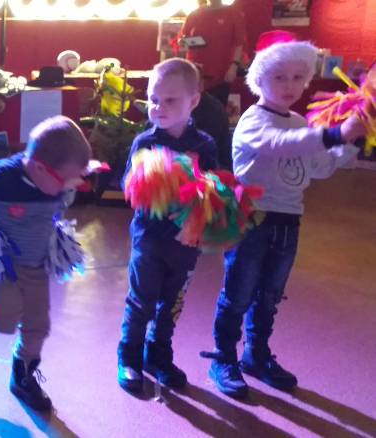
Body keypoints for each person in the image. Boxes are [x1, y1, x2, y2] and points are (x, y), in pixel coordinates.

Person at [206, 33, 366, 399]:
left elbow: (320, 166)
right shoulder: (253, 120)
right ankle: (223, 358)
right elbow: (278, 145)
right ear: (259, 79)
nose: (289, 85)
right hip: (253, 220)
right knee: (238, 293)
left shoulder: (299, 122)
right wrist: (335, 134)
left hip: (288, 221)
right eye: (279, 77)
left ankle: (256, 354)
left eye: (297, 77)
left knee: (269, 296)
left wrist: (351, 141)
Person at [0, 116, 91, 411]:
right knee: (4, 318)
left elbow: (62, 196)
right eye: (66, 181)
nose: (70, 187)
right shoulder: (0, 179)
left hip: (36, 264)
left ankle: (23, 375)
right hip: (3, 264)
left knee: (38, 325)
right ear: (39, 168)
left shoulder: (56, 181)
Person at [117, 58, 218, 394]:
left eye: (170, 100)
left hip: (186, 241)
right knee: (141, 299)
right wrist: (150, 179)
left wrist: (200, 198)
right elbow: (127, 187)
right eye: (153, 99)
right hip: (149, 237)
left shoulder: (204, 145)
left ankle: (158, 354)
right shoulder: (145, 142)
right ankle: (129, 357)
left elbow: (215, 188)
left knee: (171, 303)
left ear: (194, 101)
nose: (158, 107)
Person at [178, 0, 246, 106]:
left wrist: (234, 65)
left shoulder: (232, 13)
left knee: (217, 108)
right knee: (194, 108)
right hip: (196, 73)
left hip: (221, 73)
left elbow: (239, 43)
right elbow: (181, 39)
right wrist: (187, 42)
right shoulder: (195, 13)